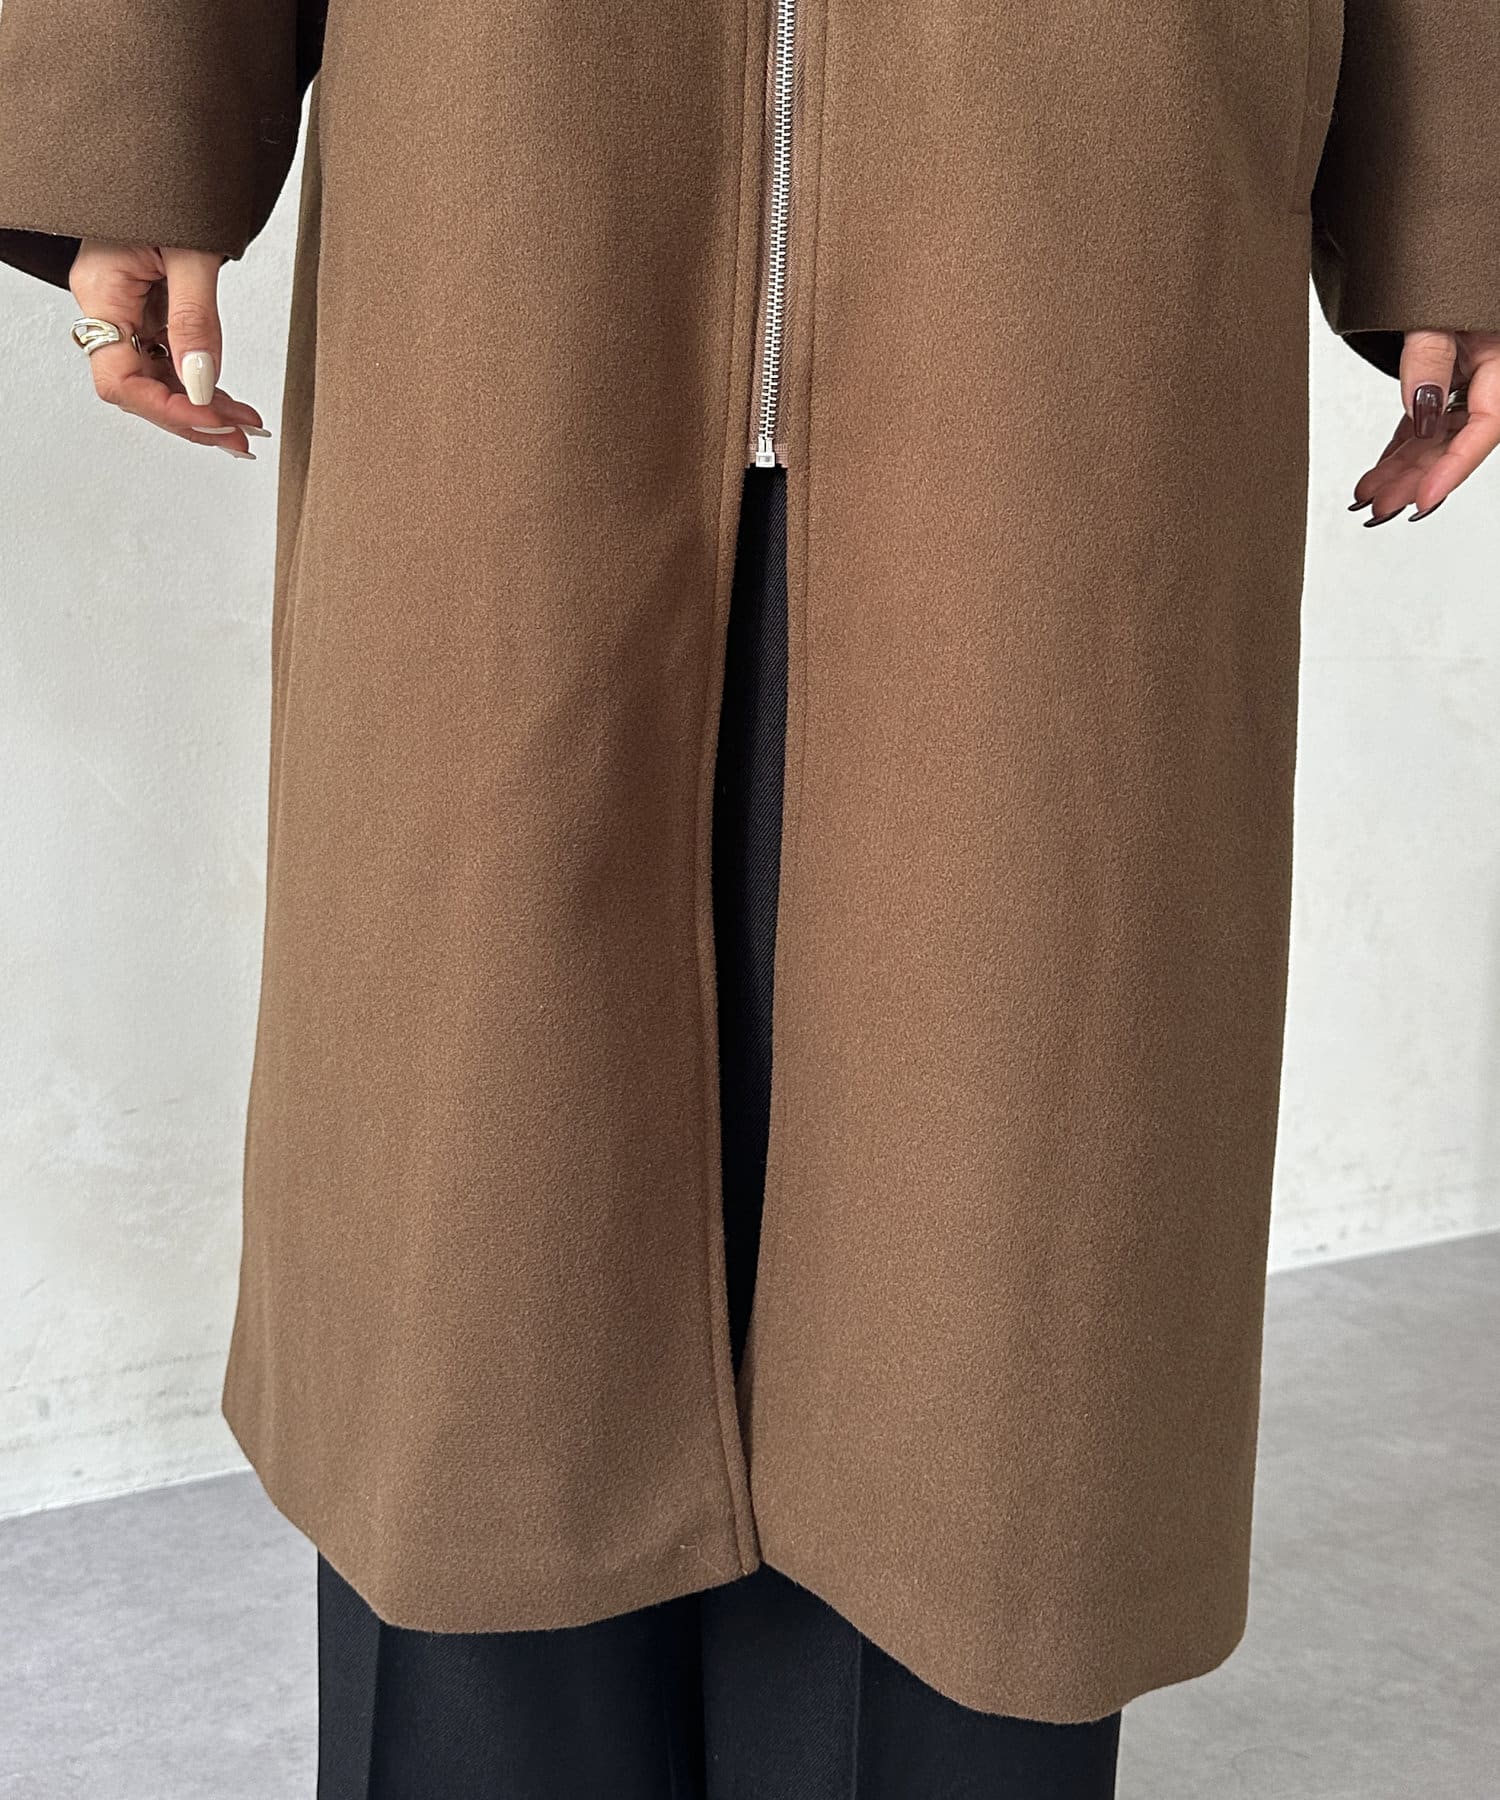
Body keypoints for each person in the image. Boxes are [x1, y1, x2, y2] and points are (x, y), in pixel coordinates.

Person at [0, 2, 1495, 1794]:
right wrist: (138, 103)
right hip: (509, 156)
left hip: (1089, 189)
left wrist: (1458, 185)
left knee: (1007, 1229)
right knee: (480, 1210)